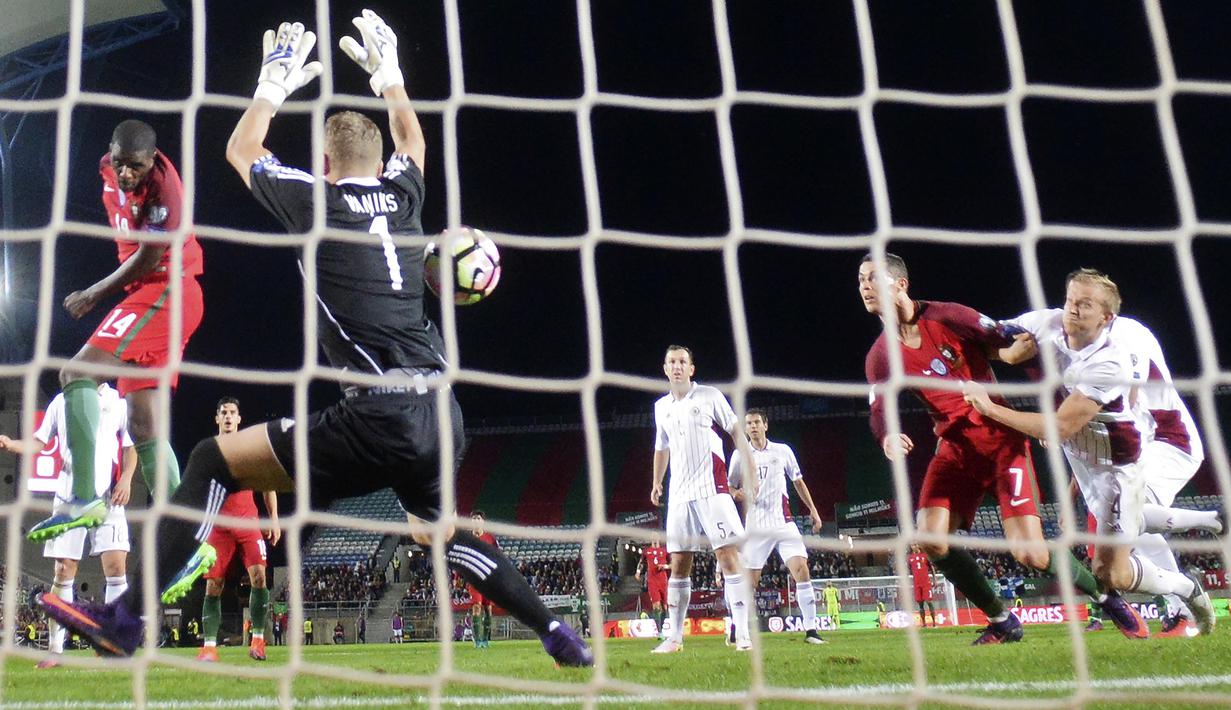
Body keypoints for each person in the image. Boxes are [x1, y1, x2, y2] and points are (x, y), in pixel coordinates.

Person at [40, 11, 590, 669]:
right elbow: (414, 139)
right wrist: (391, 77)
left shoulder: (316, 202)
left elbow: (242, 149)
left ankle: (127, 620)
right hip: (442, 411)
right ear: (382, 164)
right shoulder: (404, 197)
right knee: (438, 531)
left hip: (378, 415)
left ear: (325, 165)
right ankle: (556, 631)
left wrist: (271, 85)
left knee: (212, 458)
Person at [859, 253, 1102, 645]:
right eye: (861, 280)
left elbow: (1014, 342)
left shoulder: (948, 316)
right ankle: (1001, 620)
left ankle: (1105, 596)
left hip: (1002, 441)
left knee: (1033, 555)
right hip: (954, 450)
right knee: (931, 538)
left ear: (901, 284)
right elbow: (878, 409)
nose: (865, 286)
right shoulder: (880, 356)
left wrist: (1049, 406)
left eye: (873, 278)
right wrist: (887, 435)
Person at [963, 268, 1215, 638]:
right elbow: (983, 332)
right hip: (1096, 451)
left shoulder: (1122, 347)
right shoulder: (1047, 324)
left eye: (1085, 304)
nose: (1074, 309)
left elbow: (1103, 418)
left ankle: (1184, 598)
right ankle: (1185, 577)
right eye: (1071, 300)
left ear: (1106, 315)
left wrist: (1007, 412)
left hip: (1163, 440)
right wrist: (1003, 352)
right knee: (1110, 569)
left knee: (1135, 516)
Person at [29, 119, 204, 541]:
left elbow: (149, 258)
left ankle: (84, 497)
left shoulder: (166, 192)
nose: (126, 173)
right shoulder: (106, 168)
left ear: (152, 160)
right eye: (120, 162)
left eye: (136, 166)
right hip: (158, 294)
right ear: (111, 151)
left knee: (76, 372)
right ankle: (188, 540)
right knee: (142, 423)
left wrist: (93, 293)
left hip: (168, 290)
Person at [0, 383, 135, 668]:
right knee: (63, 570)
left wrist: (126, 479)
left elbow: (129, 446)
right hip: (68, 498)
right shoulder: (62, 401)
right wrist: (13, 444)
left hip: (109, 496)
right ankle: (55, 650)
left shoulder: (117, 401)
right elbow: (40, 442)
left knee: (115, 568)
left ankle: (112, 643)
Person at [649, 344, 757, 654]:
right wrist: (657, 481)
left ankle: (742, 633)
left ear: (691, 368)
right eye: (672, 362)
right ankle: (674, 638)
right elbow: (661, 447)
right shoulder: (661, 407)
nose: (677, 366)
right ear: (665, 369)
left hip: (712, 488)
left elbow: (735, 430)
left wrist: (750, 468)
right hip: (679, 494)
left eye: (682, 361)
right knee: (679, 563)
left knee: (727, 557)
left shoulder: (710, 396)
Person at [727, 408, 825, 645]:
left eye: (756, 422)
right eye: (748, 423)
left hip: (783, 523)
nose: (752, 426)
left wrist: (813, 509)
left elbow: (798, 482)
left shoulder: (783, 451)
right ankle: (737, 626)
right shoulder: (740, 455)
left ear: (765, 425)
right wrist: (736, 493)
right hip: (755, 527)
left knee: (801, 570)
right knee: (748, 583)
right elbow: (729, 485)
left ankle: (811, 631)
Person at [197, 397, 281, 663]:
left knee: (259, 577)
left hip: (248, 523)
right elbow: (197, 489)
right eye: (224, 412)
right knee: (213, 585)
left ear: (239, 418)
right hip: (219, 527)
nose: (228, 416)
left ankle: (258, 641)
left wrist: (274, 518)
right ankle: (209, 647)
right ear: (217, 418)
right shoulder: (208, 450)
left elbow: (268, 483)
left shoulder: (249, 448)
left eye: (232, 412)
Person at [467, 511, 497, 649]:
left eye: (478, 518)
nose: (476, 520)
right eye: (473, 518)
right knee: (476, 607)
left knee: (488, 609)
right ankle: (478, 640)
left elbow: (497, 556)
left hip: (488, 578)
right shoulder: (466, 538)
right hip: (474, 577)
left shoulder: (490, 538)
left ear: (483, 521)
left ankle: (485, 639)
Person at [634, 533, 669, 639]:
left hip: (663, 581)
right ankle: (659, 632)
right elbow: (641, 562)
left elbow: (672, 564)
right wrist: (638, 572)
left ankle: (660, 627)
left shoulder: (664, 551)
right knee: (656, 606)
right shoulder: (646, 551)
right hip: (652, 581)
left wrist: (665, 566)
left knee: (665, 607)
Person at [907, 544, 938, 628]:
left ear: (919, 545)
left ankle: (934, 623)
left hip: (926, 583)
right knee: (920, 604)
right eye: (913, 545)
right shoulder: (910, 558)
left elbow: (932, 568)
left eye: (916, 544)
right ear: (911, 547)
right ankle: (924, 624)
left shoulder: (925, 555)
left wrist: (935, 579)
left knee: (929, 602)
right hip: (917, 584)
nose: (914, 546)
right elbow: (909, 570)